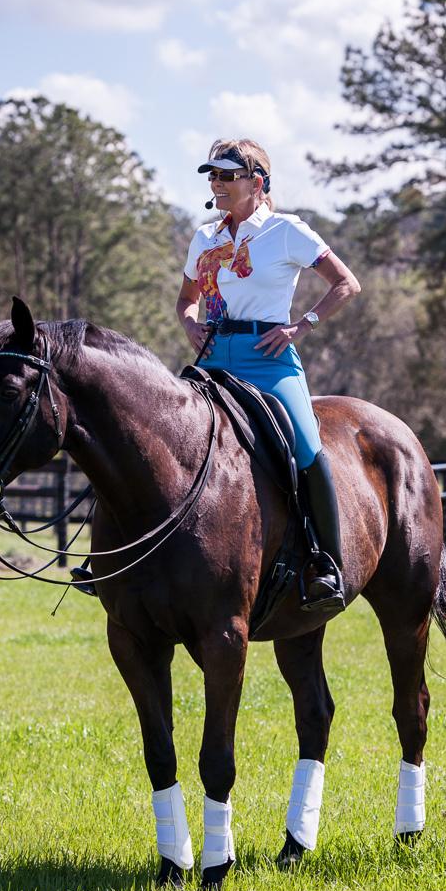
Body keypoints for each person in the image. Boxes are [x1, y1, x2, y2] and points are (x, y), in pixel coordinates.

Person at [176, 138, 361, 612]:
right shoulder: (204, 237)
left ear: (256, 182)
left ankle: (326, 564)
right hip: (213, 357)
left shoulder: (286, 231)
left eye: (225, 175)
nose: (216, 184)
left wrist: (303, 325)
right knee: (158, 431)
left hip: (268, 358)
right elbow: (186, 301)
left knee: (307, 446)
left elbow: (346, 283)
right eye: (212, 176)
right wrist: (191, 324)